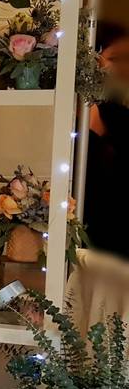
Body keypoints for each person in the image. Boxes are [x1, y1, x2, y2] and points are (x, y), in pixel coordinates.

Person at [84, 21, 129, 260]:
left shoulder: (121, 118)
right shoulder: (68, 121)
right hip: (86, 247)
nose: (124, 68)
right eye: (115, 59)